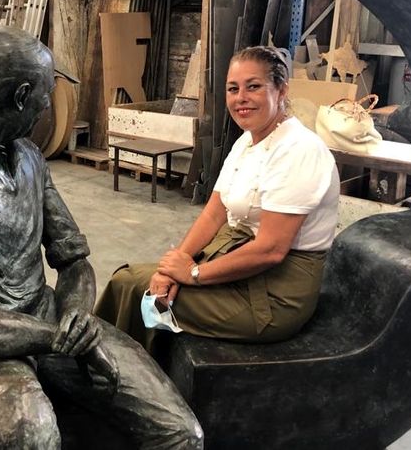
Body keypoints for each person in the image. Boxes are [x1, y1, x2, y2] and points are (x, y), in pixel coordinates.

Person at [0, 25, 202, 449]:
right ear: (21, 96)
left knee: (180, 432)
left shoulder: (27, 156)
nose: (47, 105)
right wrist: (59, 338)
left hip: (51, 319)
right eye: (45, 93)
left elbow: (73, 260)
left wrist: (76, 316)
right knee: (32, 437)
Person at [95, 46, 340, 350]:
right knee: (137, 280)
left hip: (274, 294)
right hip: (238, 261)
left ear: (281, 90)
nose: (241, 98)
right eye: (233, 89)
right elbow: (214, 213)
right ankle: (109, 367)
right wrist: (173, 266)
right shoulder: (245, 144)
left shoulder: (299, 149)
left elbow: (271, 250)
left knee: (134, 289)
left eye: (254, 87)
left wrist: (194, 273)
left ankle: (109, 375)